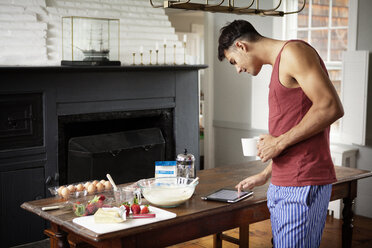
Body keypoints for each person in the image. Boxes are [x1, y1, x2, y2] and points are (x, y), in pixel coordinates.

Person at [218, 20, 344, 247]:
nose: (237, 69)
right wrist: (266, 174)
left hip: (302, 182)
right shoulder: (280, 63)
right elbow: (292, 130)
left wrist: (278, 143)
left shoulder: (294, 52)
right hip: (284, 183)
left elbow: (330, 106)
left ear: (242, 45)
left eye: (234, 61)